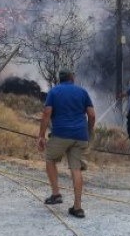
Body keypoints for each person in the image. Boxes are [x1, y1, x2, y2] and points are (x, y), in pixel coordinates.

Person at [37, 69, 95, 219]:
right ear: (72, 78)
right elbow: (92, 115)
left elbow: (46, 113)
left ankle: (56, 194)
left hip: (60, 134)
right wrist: (88, 131)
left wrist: (41, 135)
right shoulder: (82, 92)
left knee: (50, 159)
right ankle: (77, 208)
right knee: (76, 169)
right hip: (80, 136)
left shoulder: (54, 92)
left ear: (60, 79)